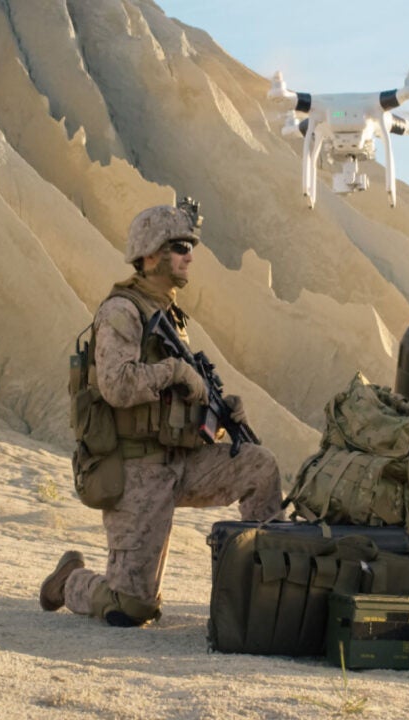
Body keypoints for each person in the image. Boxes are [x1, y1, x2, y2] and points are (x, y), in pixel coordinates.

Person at [39, 201, 283, 627]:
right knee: (132, 608)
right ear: (151, 255)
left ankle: (273, 585)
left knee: (259, 466)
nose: (190, 256)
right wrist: (174, 371)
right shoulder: (122, 312)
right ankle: (71, 581)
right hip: (137, 470)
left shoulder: (169, 317)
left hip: (181, 462)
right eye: (180, 247)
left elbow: (178, 405)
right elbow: (116, 385)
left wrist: (220, 414)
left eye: (190, 248)